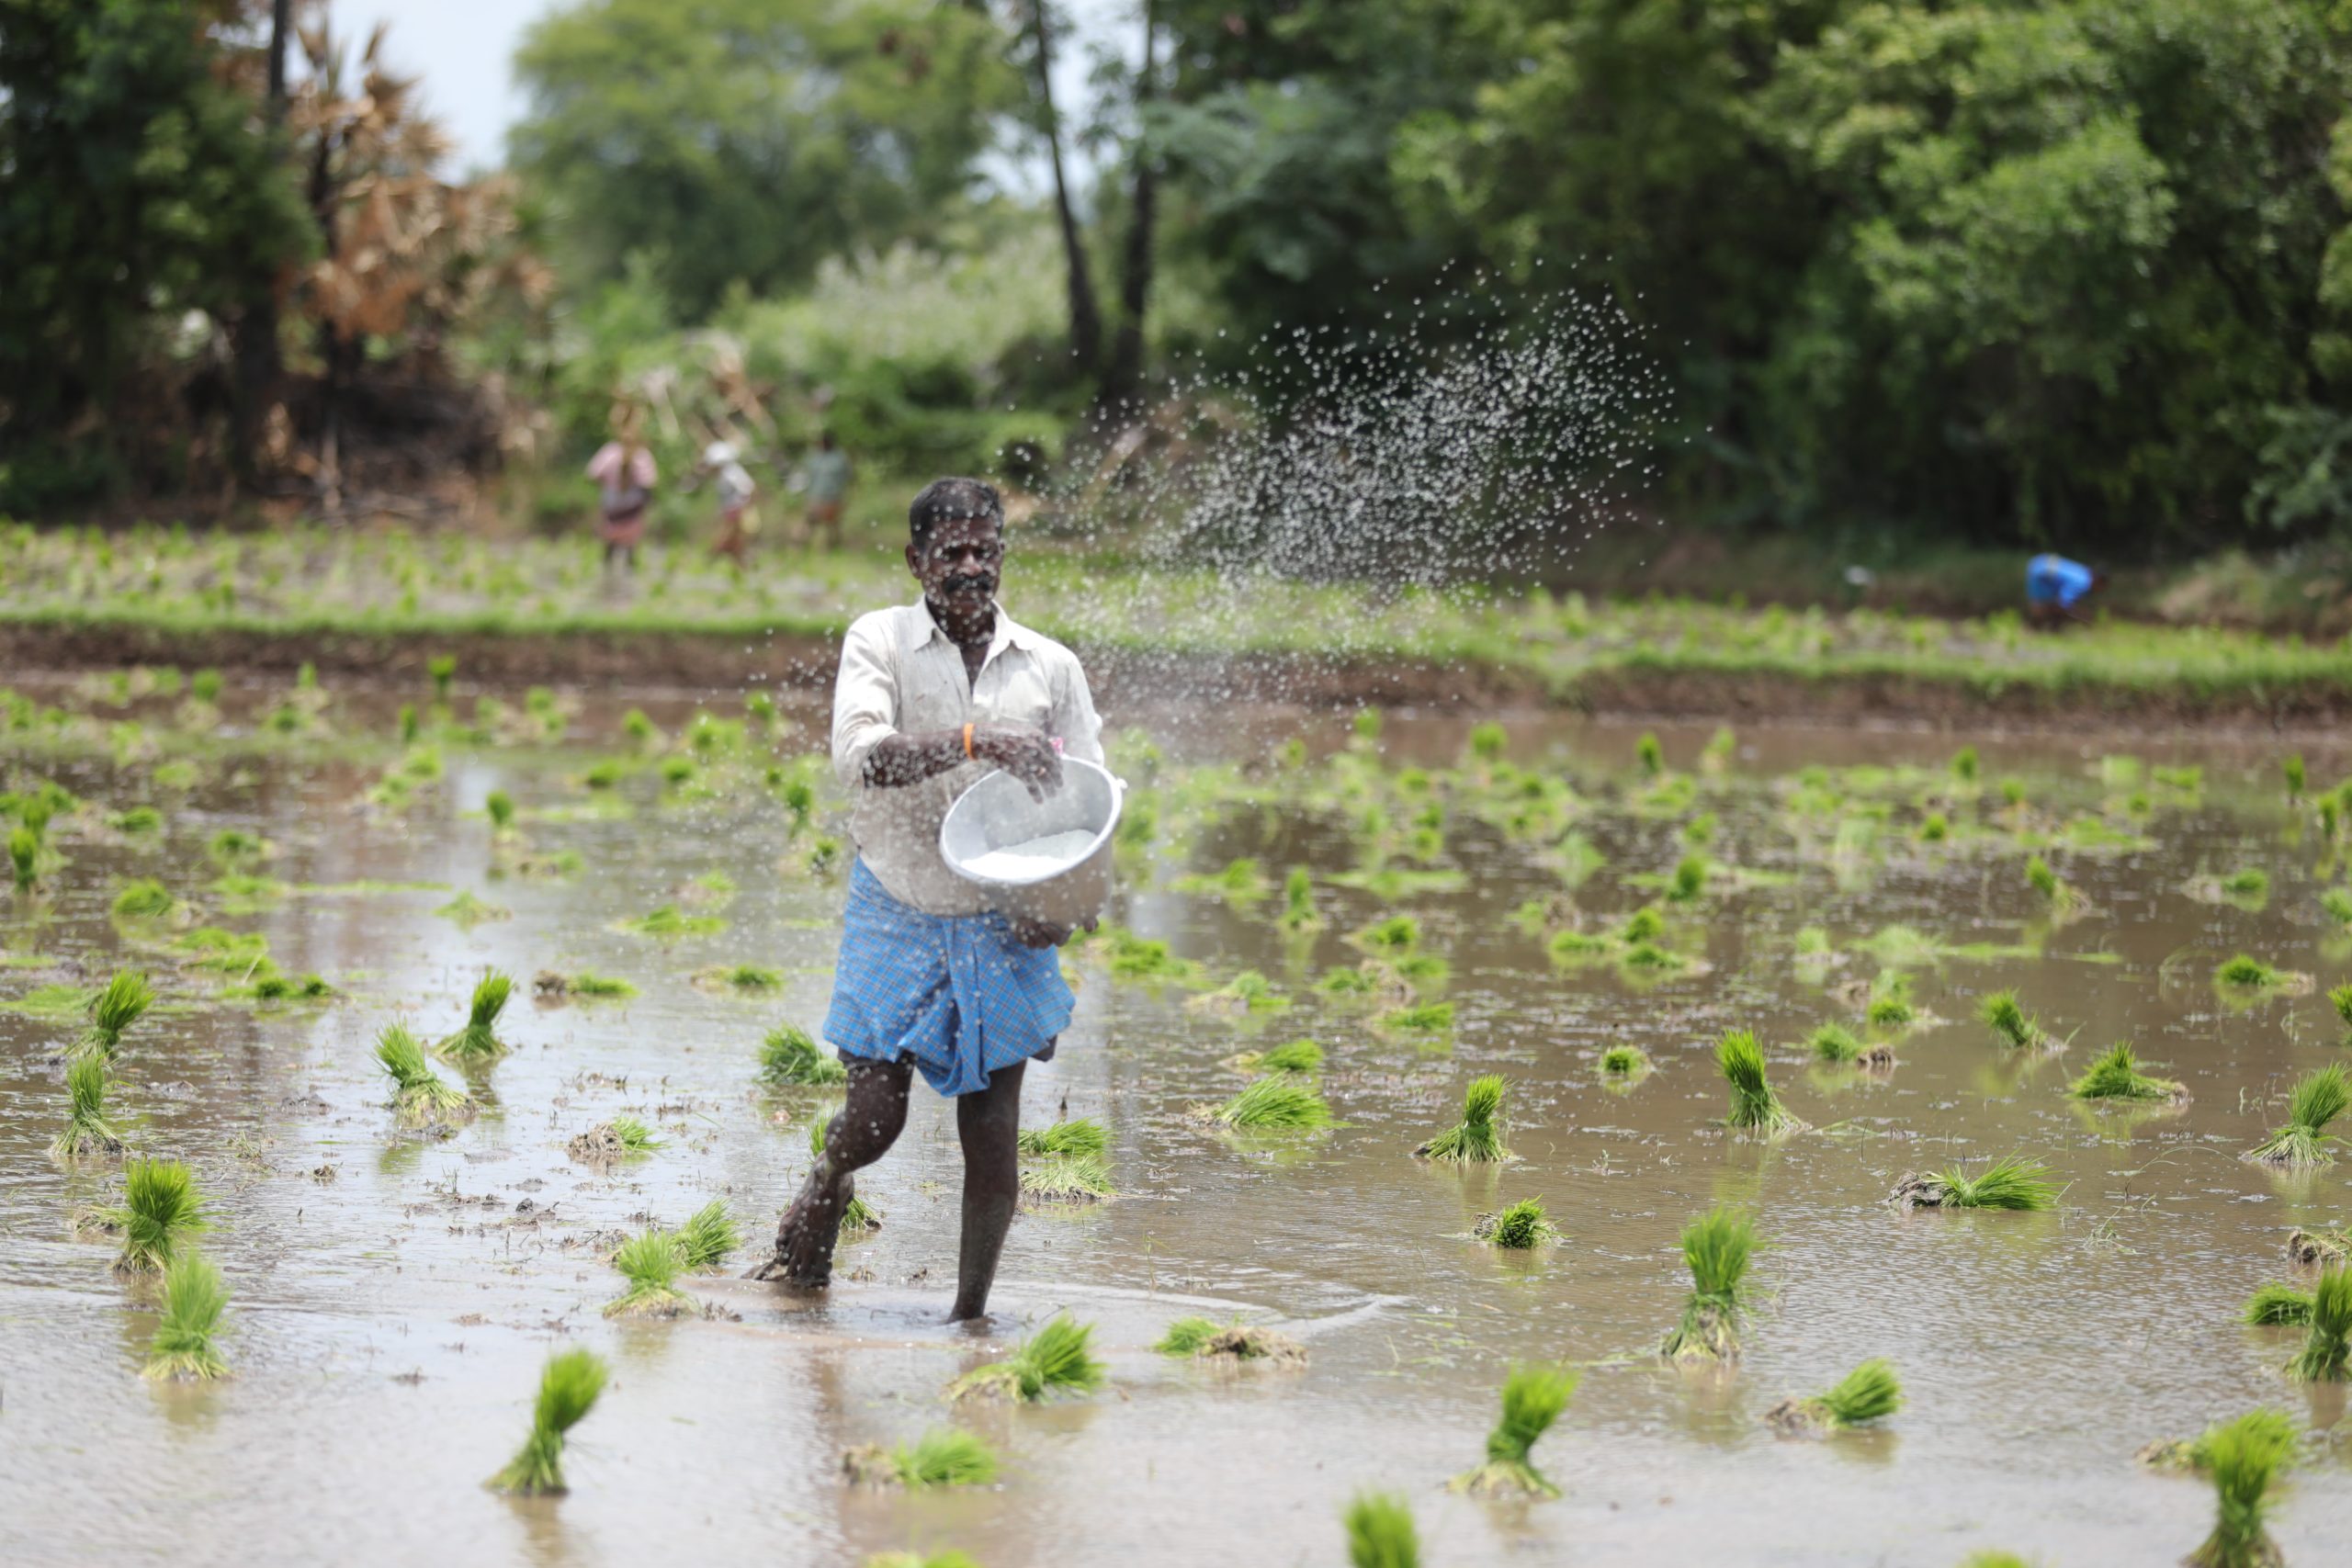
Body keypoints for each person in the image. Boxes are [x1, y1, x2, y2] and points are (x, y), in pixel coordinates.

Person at [750, 477, 1102, 1322]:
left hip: (1002, 917)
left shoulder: (1049, 667)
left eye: (987, 549)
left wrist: (1070, 903)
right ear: (916, 560)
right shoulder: (881, 641)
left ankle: (969, 1315)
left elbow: (1091, 802)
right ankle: (826, 1183)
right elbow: (860, 757)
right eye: (953, 552)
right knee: (875, 1117)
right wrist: (978, 740)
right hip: (899, 899)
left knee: (992, 1131)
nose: (972, 566)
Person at [586, 404, 656, 571]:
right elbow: (649, 484)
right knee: (630, 551)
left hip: (612, 505)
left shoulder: (609, 452)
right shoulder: (642, 455)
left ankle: (608, 580)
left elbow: (592, 475)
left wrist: (608, 484)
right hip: (632, 508)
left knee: (609, 548)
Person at [688, 439, 758, 565]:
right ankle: (741, 565)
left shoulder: (732, 474)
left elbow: (748, 489)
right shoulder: (722, 475)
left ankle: (708, 563)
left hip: (736, 511)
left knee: (725, 540)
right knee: (733, 543)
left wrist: (744, 510)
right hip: (730, 511)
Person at [801, 429, 853, 553]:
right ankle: (804, 546)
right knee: (811, 521)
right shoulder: (814, 457)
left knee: (833, 524)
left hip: (833, 496)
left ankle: (834, 546)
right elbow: (807, 476)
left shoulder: (840, 457)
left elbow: (848, 476)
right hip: (816, 496)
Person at [2025, 553, 2102, 627]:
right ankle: (2034, 627)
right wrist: (2083, 618)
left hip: (2042, 560)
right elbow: (2063, 603)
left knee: (2050, 606)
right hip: (2042, 573)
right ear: (2099, 582)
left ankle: (2036, 626)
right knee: (2043, 608)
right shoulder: (2083, 584)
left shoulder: (2085, 572)